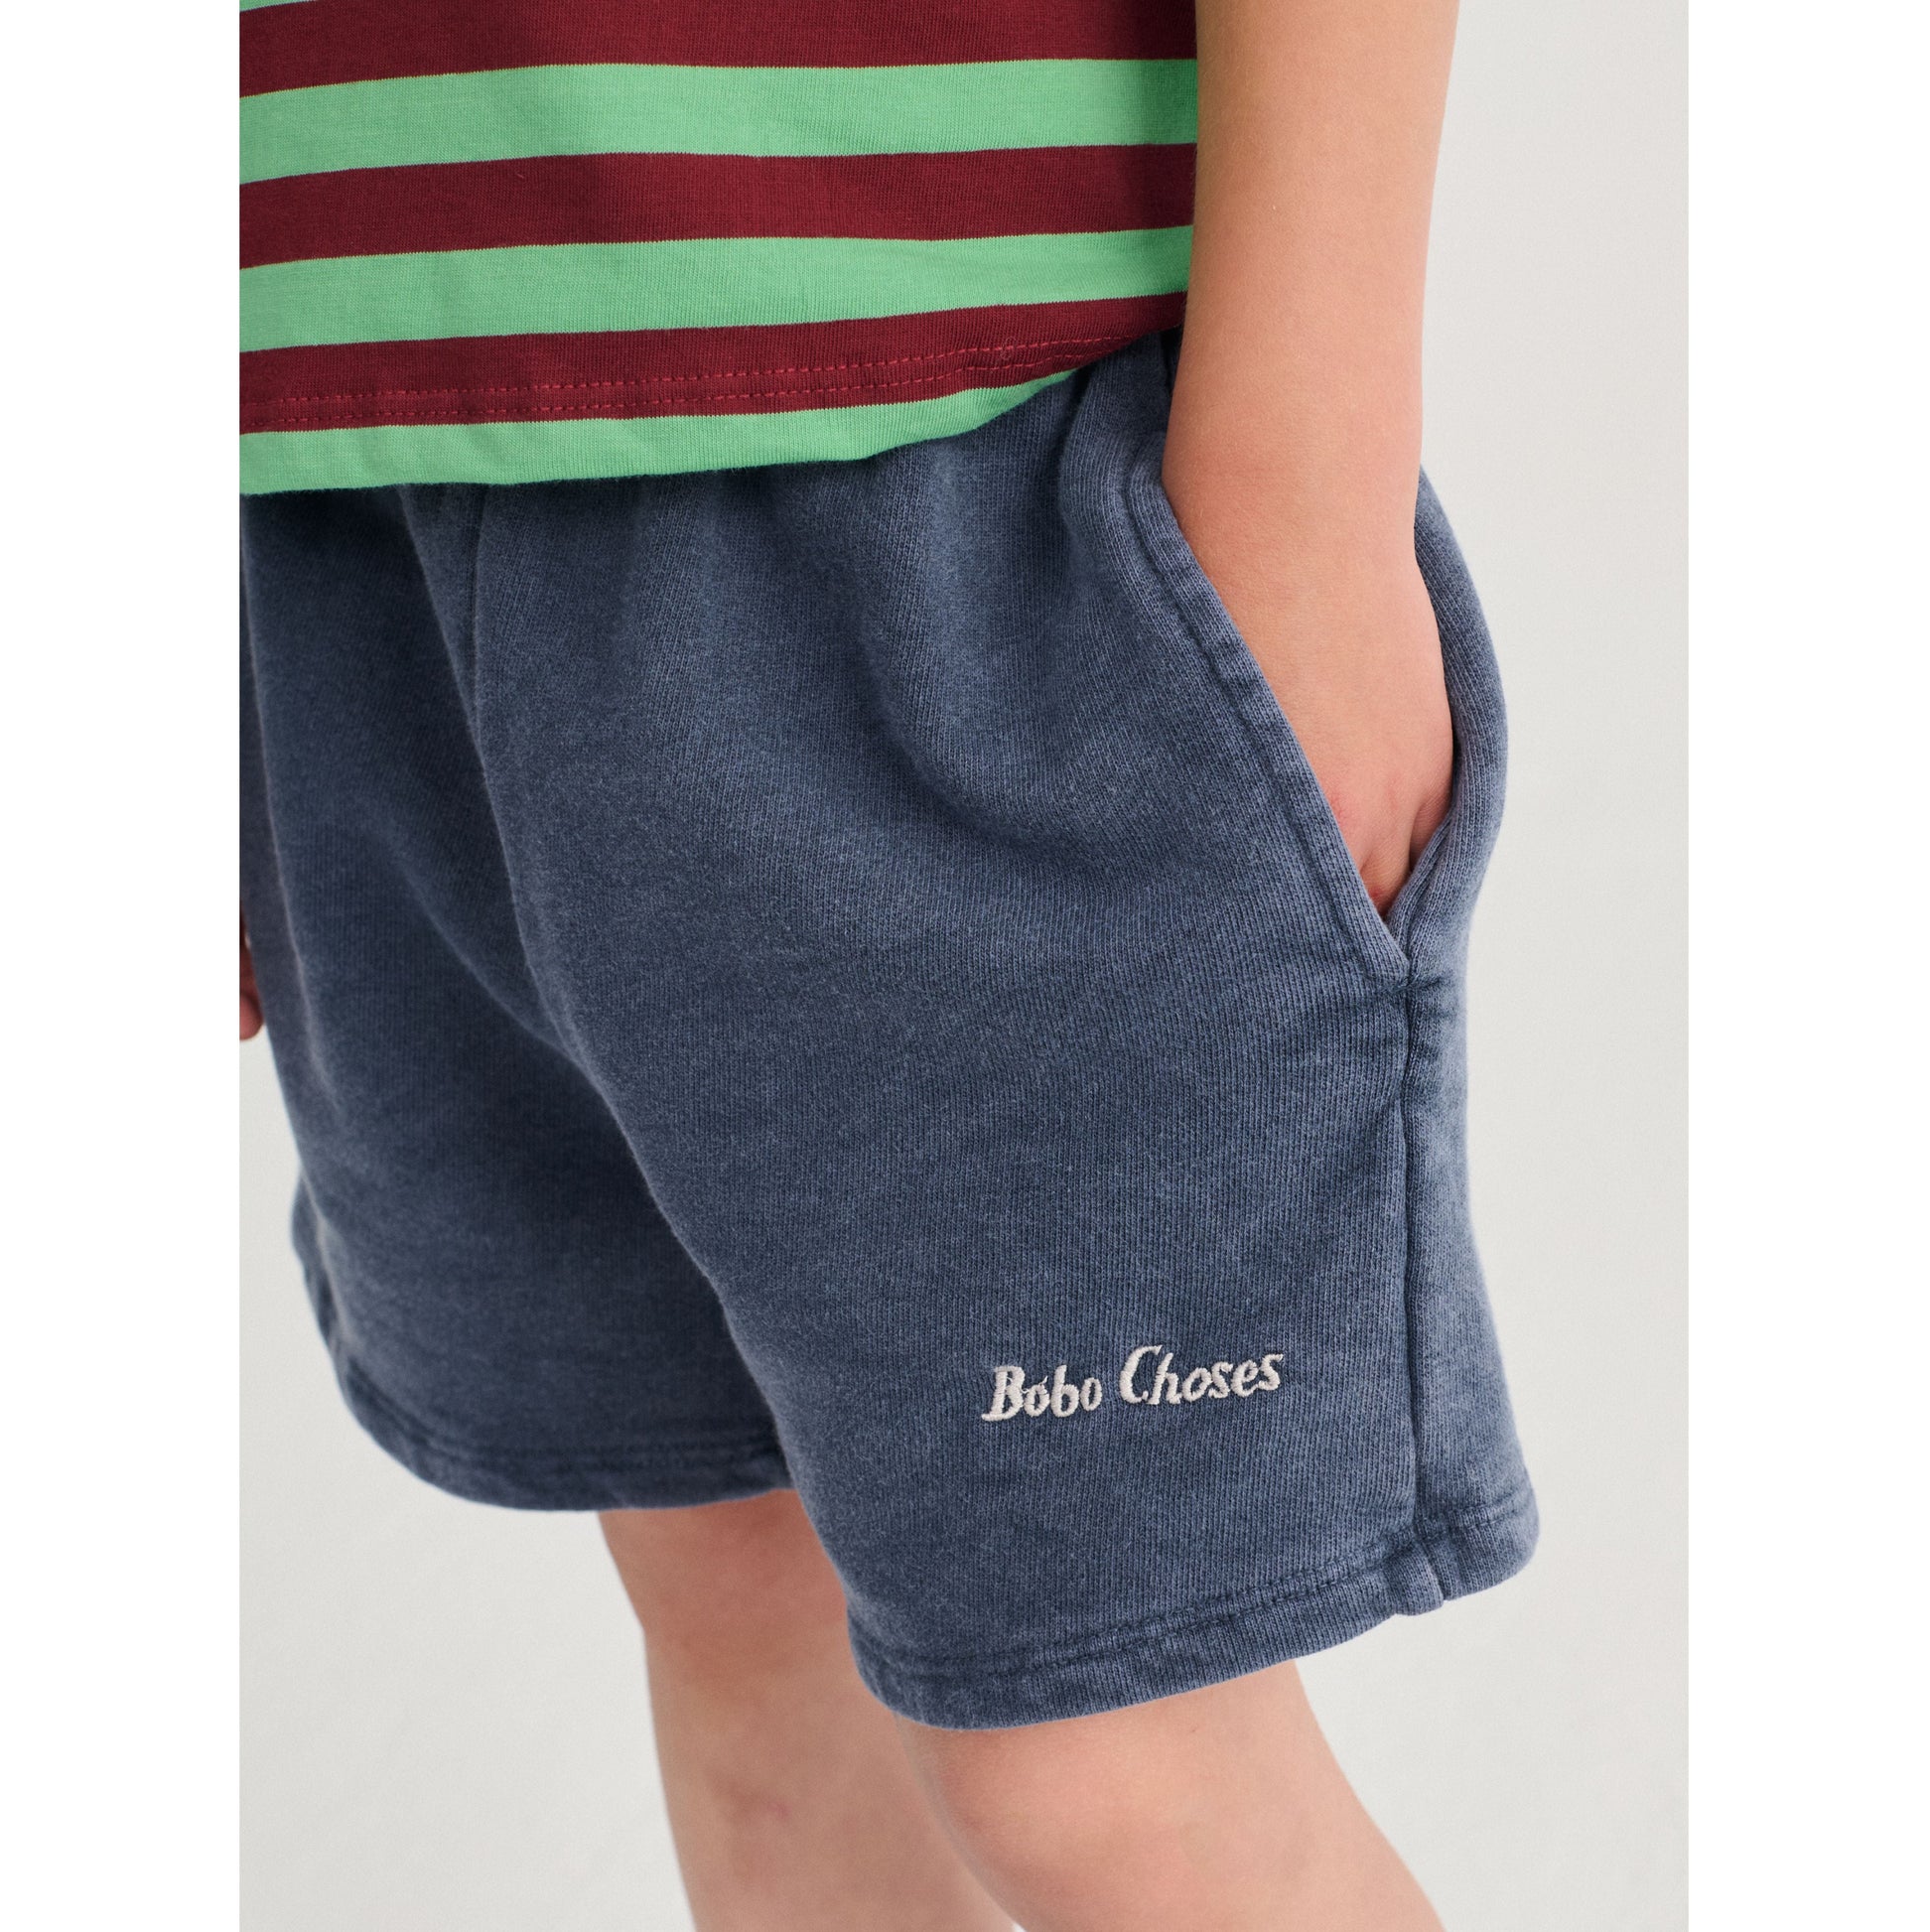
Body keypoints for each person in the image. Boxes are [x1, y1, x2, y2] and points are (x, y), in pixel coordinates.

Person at [239, 0, 1537, 1925]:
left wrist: (1307, 494)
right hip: (337, 478)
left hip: (947, 439)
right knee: (738, 1628)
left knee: (1105, 1759)